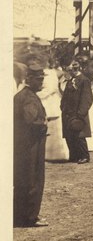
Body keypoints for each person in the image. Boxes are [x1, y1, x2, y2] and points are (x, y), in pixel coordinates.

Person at [14, 62, 49, 227]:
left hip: (20, 144)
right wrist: (43, 124)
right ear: (31, 80)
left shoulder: (20, 95)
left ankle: (19, 215)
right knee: (34, 178)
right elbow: (31, 121)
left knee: (21, 178)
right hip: (32, 144)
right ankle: (30, 217)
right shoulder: (29, 98)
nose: (41, 83)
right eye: (39, 80)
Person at [60, 59, 93, 164]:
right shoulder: (71, 80)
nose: (71, 71)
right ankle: (74, 155)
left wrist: (81, 113)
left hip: (77, 112)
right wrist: (63, 107)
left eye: (73, 69)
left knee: (79, 135)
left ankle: (84, 156)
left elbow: (87, 98)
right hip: (68, 112)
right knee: (70, 136)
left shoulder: (84, 80)